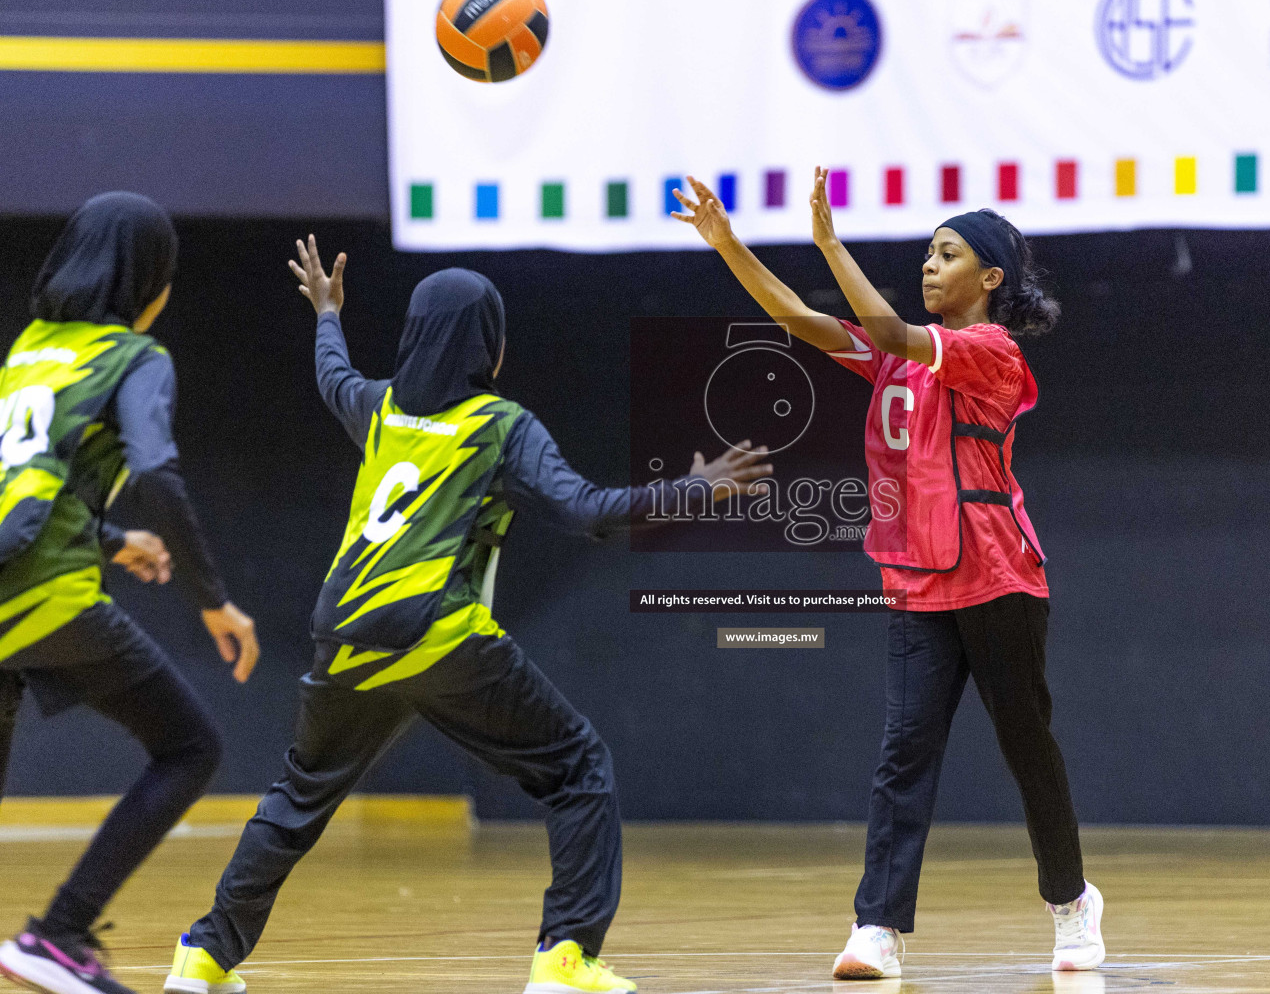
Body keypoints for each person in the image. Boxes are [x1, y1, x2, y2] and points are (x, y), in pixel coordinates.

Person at [164, 238, 771, 994]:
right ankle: (565, 958)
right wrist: (694, 489)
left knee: (297, 797)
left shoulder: (380, 407)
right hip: (436, 632)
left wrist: (327, 313)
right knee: (579, 769)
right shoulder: (499, 425)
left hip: (344, 633)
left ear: (415, 336)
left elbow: (332, 377)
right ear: (492, 347)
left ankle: (204, 955)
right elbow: (584, 511)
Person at [672, 171, 1105, 978]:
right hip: (916, 574)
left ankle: (1071, 902)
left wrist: (830, 244)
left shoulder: (990, 352)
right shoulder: (896, 359)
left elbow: (897, 331)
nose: (930, 267)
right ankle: (876, 926)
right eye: (926, 255)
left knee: (1026, 745)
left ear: (991, 278)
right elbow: (799, 320)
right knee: (904, 751)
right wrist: (728, 244)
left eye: (947, 255)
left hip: (998, 571)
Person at [0, 192, 260, 994]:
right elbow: (153, 471)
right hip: (48, 594)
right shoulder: (134, 356)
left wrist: (113, 540)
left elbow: (20, 481)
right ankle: (59, 934)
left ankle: (51, 939)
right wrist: (213, 598)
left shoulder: (30, 349)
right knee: (190, 748)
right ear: (152, 282)